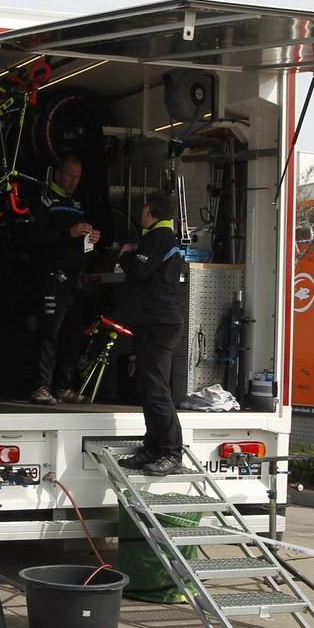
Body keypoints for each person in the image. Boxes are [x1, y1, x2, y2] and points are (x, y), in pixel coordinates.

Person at [118, 190, 186, 476]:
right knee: (148, 389)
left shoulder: (158, 237)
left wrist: (125, 255)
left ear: (150, 210)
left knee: (158, 390)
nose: (140, 213)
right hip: (152, 322)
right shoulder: (162, 238)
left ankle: (171, 452)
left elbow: (139, 271)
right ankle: (152, 448)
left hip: (161, 323)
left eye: (143, 208)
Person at [30, 152, 99, 405]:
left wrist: (90, 240)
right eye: (70, 175)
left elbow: (78, 240)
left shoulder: (79, 203)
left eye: (78, 177)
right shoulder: (43, 199)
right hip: (51, 275)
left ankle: (63, 386)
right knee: (50, 333)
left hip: (75, 277)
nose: (73, 181)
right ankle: (41, 387)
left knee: (72, 335)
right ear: (58, 174)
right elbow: (33, 236)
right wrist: (67, 232)